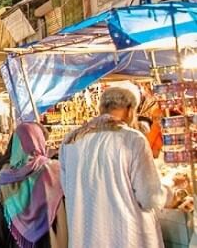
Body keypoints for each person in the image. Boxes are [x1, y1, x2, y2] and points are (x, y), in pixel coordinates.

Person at [60, 87, 171, 247]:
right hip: (126, 235)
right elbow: (149, 197)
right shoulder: (132, 139)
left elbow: (67, 189)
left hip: (86, 237)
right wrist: (171, 190)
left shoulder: (70, 140)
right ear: (130, 110)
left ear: (101, 108)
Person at [0, 123, 67, 248]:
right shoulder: (55, 170)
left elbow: (1, 222)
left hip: (17, 242)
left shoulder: (5, 176)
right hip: (53, 238)